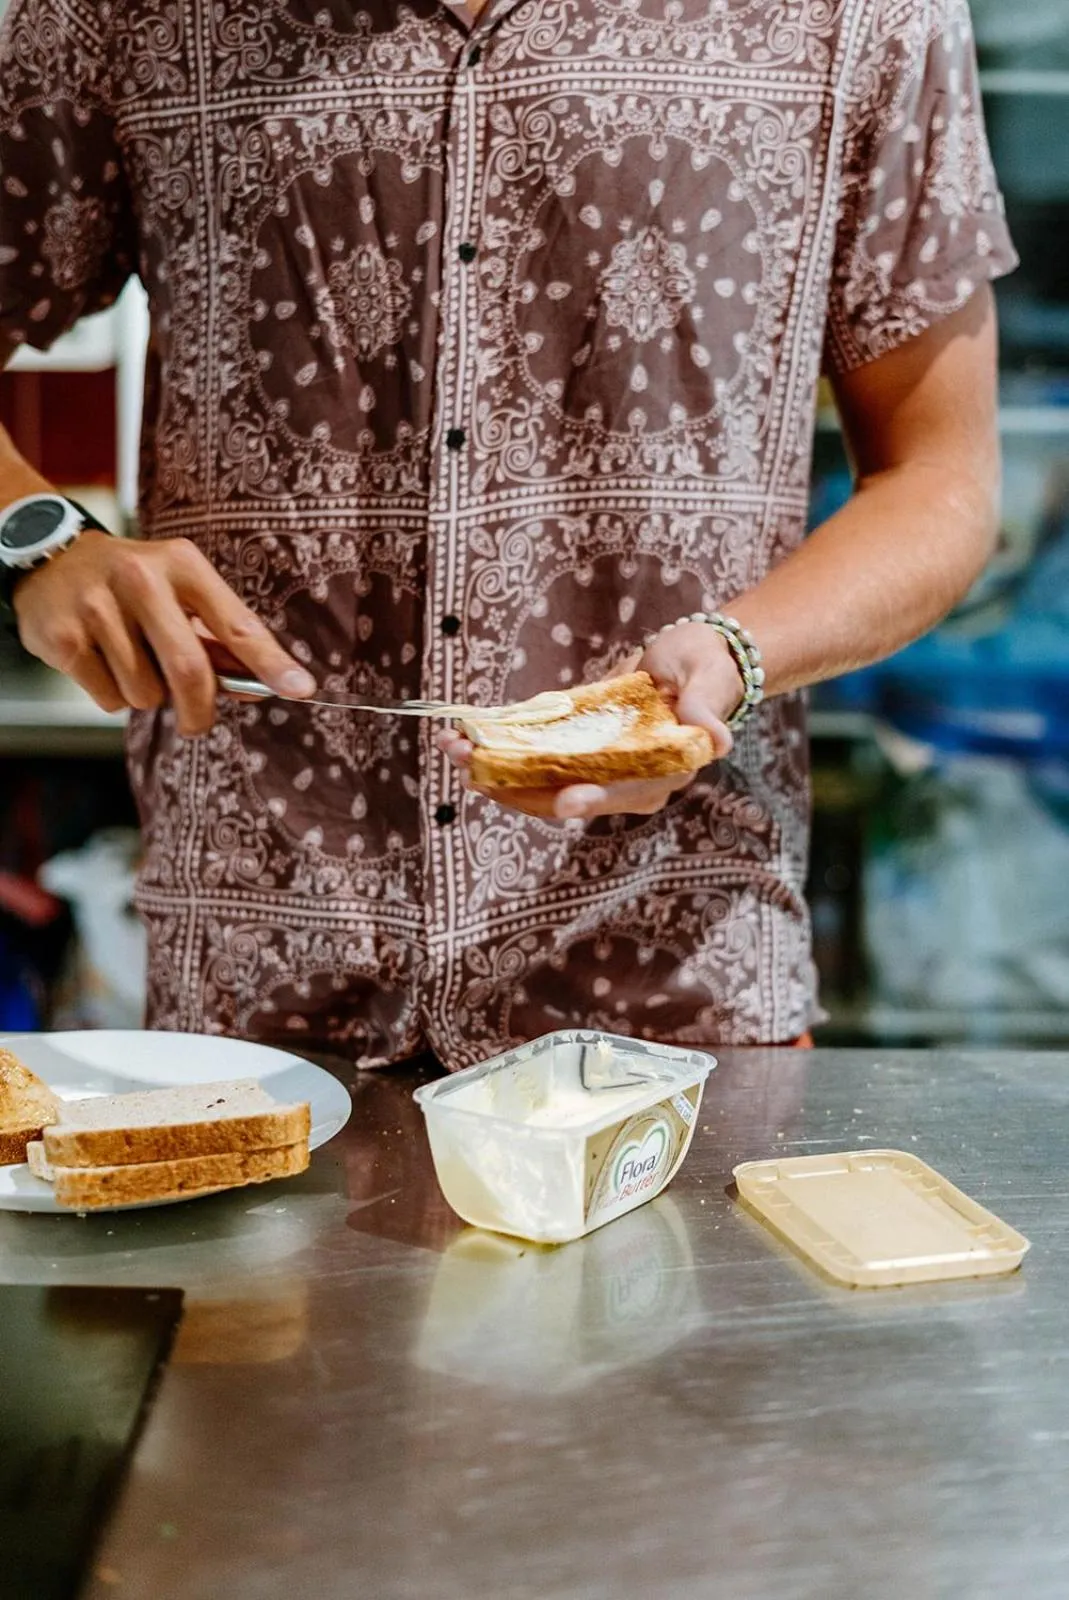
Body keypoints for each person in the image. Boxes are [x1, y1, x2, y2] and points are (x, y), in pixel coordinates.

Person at [0, 0, 1015, 1065]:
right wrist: (37, 543)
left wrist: (734, 654)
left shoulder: (860, 17)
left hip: (672, 998)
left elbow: (937, 478)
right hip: (254, 1002)